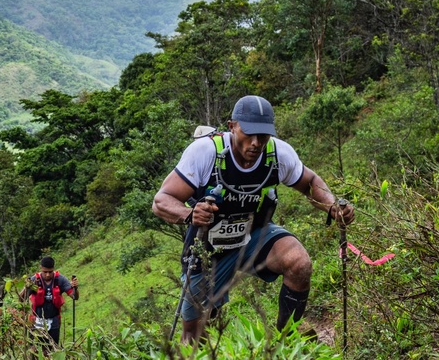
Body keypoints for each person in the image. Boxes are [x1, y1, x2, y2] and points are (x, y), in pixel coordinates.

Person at [152, 95, 355, 343]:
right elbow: (162, 200)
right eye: (249, 133)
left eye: (264, 135)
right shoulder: (205, 153)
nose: (257, 143)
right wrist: (189, 214)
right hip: (207, 246)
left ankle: (286, 341)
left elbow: (309, 182)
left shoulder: (278, 153)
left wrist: (332, 206)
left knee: (299, 263)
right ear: (232, 126)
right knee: (194, 334)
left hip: (253, 235)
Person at [18, 255, 79, 346]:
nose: (47, 274)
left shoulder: (60, 279)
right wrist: (27, 287)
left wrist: (75, 288)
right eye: (45, 272)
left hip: (54, 321)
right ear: (41, 268)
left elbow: (74, 297)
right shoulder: (35, 279)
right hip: (36, 321)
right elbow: (21, 298)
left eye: (50, 272)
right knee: (35, 349)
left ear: (53, 269)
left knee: (53, 348)